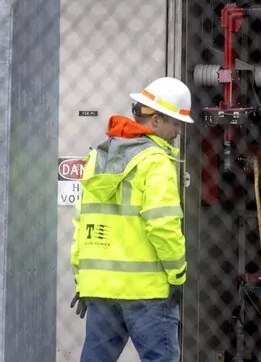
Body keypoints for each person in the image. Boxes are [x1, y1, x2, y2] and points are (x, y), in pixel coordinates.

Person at [69, 77, 193, 362]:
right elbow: (162, 226)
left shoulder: (97, 158)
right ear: (157, 121)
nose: (178, 132)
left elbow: (82, 223)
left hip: (99, 289)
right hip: (146, 292)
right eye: (176, 123)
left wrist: (82, 277)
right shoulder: (155, 162)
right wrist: (177, 274)